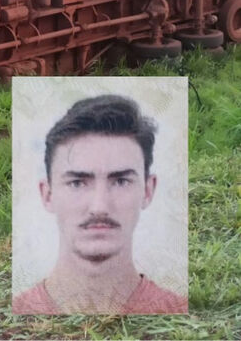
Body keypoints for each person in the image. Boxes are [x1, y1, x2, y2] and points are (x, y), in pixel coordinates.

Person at [13, 94, 187, 315]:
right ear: (47, 195)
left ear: (147, 190)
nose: (99, 206)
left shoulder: (179, 313)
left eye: (121, 181)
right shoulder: (10, 318)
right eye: (77, 183)